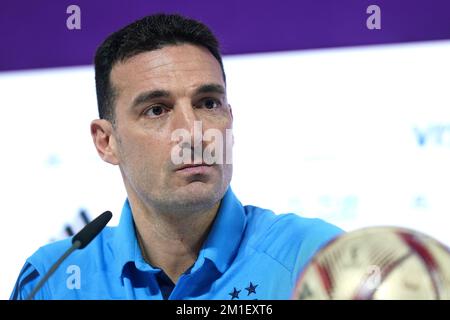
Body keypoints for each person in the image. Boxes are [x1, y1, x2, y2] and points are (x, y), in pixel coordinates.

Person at [10, 13, 342, 300]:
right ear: (106, 141)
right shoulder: (53, 280)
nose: (194, 132)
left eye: (208, 103)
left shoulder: (316, 258)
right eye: (157, 110)